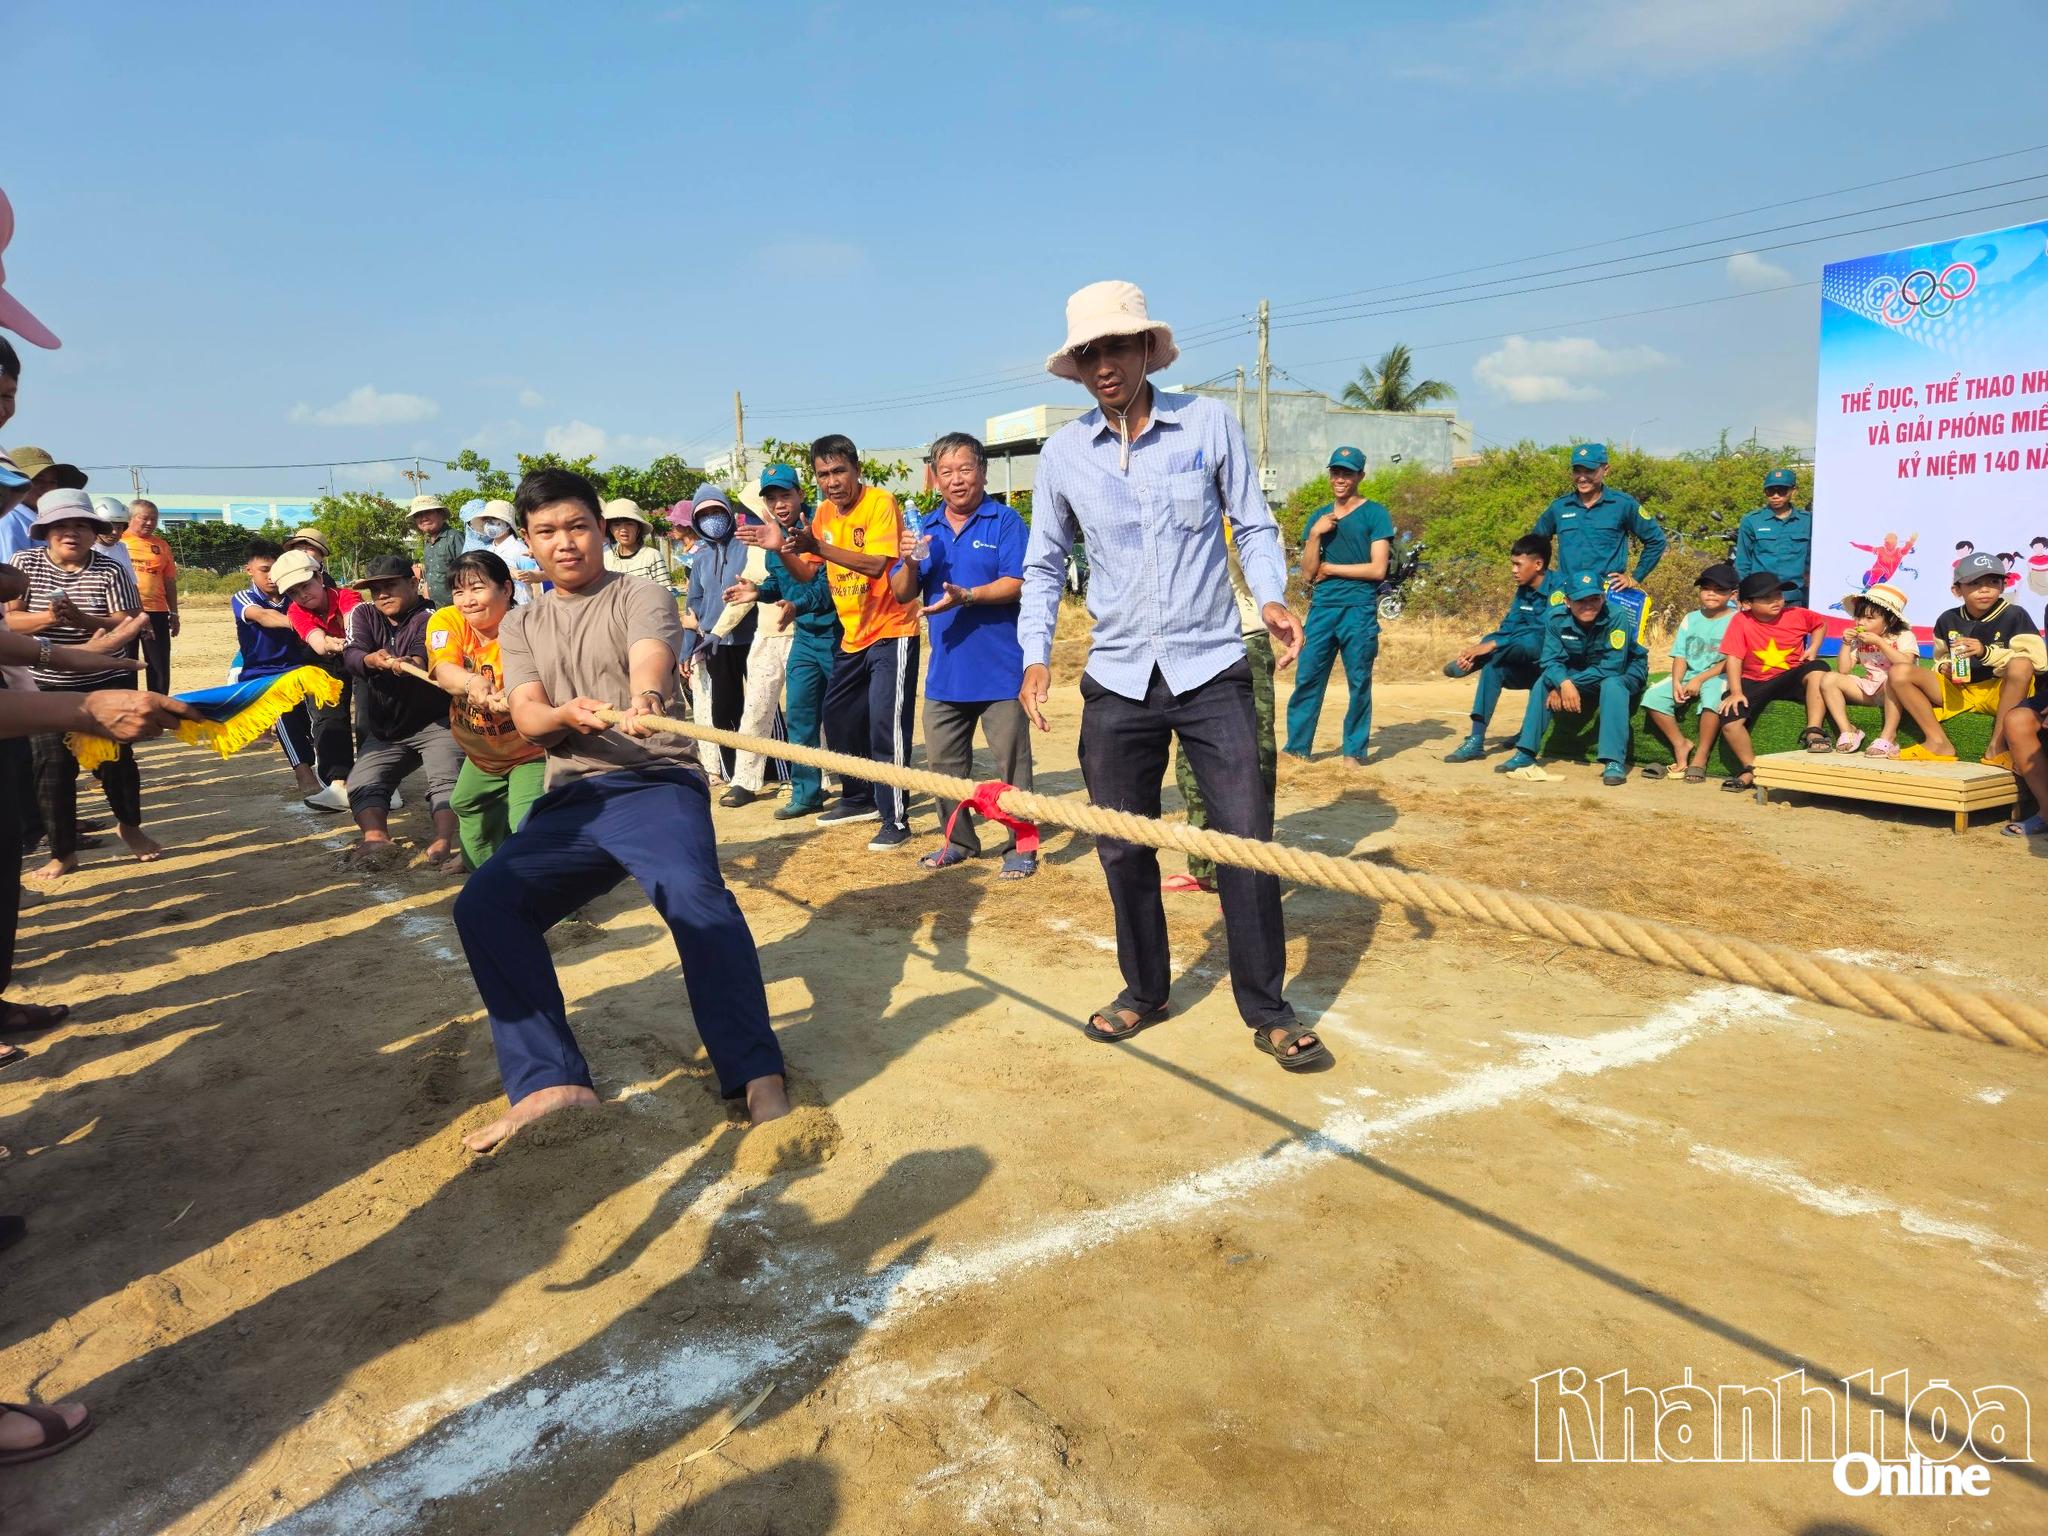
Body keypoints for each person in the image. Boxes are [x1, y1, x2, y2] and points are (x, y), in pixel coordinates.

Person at [1018, 280, 1322, 1070]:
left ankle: (1268, 1007)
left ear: (1147, 350)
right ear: (1077, 365)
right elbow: (1044, 564)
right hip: (1118, 678)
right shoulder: (1063, 454)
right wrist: (1035, 654)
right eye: (1089, 352)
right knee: (1123, 847)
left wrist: (1272, 595)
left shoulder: (1207, 424)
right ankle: (1145, 989)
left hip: (1212, 667)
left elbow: (1252, 522)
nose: (1104, 364)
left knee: (1245, 841)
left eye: (1117, 346)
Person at [450, 465, 789, 1152]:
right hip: (573, 798)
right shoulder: (521, 623)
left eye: (578, 526)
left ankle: (757, 1072)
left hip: (654, 782)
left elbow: (651, 656)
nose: (564, 542)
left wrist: (645, 699)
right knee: (485, 906)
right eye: (547, 531)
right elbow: (527, 713)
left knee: (695, 898)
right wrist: (560, 716)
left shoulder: (642, 592)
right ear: (527, 542)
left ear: (601, 530)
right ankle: (551, 1081)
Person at [741, 434, 919, 847]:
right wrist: (781, 549)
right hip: (852, 635)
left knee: (886, 725)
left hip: (892, 629)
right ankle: (858, 797)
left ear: (857, 469)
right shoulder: (822, 513)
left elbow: (876, 565)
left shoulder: (880, 503)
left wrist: (818, 545)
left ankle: (895, 818)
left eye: (839, 471)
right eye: (823, 474)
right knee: (837, 716)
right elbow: (807, 573)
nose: (832, 481)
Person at [885, 432, 1036, 876]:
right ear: (935, 478)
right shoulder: (924, 529)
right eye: (946, 471)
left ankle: (1021, 847)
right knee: (944, 768)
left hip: (1002, 671)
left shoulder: (1005, 521)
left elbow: (1018, 582)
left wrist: (968, 595)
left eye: (965, 469)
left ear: (982, 472)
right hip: (946, 675)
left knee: (1012, 768)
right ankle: (958, 842)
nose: (957, 480)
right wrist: (911, 560)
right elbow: (901, 593)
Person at [4, 489, 160, 876]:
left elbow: (126, 619)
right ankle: (63, 852)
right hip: (42, 685)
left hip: (102, 680)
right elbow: (11, 622)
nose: (71, 533)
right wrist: (49, 619)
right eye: (60, 525)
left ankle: (130, 827)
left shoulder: (110, 569)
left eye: (80, 525)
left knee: (116, 762)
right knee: (52, 768)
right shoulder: (24, 563)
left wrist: (82, 619)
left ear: (94, 532)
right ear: (45, 531)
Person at [1165, 524, 1274, 896]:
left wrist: (1228, 533)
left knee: (1251, 763)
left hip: (1244, 643)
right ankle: (1204, 869)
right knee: (1190, 765)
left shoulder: (1250, 518)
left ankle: (1251, 875)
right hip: (1191, 645)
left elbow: (1265, 580)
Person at [728, 464, 838, 819]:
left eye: (785, 495)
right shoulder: (771, 537)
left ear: (800, 494)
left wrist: (796, 606)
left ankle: (864, 791)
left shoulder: (819, 529)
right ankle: (807, 793)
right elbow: (782, 585)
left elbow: (824, 587)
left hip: (835, 635)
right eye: (772, 498)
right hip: (804, 636)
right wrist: (757, 592)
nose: (779, 503)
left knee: (845, 715)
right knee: (800, 715)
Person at [426, 550, 546, 868]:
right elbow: (444, 671)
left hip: (531, 749)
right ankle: (481, 865)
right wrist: (473, 683)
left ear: (506, 589)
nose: (467, 601)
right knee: (467, 803)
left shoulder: (530, 628)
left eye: (477, 588)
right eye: (458, 591)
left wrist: (518, 698)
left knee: (526, 819)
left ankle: (543, 893)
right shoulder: (446, 620)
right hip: (482, 752)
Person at [342, 554, 462, 869]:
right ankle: (376, 837)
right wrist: (370, 660)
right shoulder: (362, 613)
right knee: (362, 781)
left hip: (437, 722)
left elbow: (428, 653)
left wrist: (413, 663)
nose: (382, 595)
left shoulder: (435, 616)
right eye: (375, 589)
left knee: (446, 777)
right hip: (387, 728)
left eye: (390, 586)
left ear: (412, 583)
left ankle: (443, 839)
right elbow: (352, 654)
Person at [1282, 445, 1393, 765]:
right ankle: (1297, 748)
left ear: (1361, 476)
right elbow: (1307, 574)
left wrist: (1330, 568)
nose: (1340, 478)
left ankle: (1353, 752)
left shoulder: (1375, 514)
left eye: (1347, 473)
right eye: (1335, 472)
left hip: (1358, 609)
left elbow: (1377, 570)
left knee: (1359, 682)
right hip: (1322, 609)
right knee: (1307, 679)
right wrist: (1315, 535)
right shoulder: (1319, 517)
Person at [1494, 569, 1649, 786]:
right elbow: (1550, 660)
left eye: (1594, 599)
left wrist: (1568, 684)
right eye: (1580, 600)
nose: (1588, 605)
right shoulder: (1555, 618)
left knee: (1612, 685)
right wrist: (1562, 682)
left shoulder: (1616, 616)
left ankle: (1613, 761)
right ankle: (1525, 752)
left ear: (1603, 598)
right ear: (1567, 601)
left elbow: (1612, 666)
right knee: (1544, 682)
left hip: (1626, 668)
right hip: (1582, 667)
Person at [1891, 551, 2045, 765]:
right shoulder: (1948, 618)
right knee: (1899, 672)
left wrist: (1986, 652)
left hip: (2001, 692)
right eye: (1974, 583)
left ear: (2003, 586)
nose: (1984, 589)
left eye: (1993, 581)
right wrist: (1944, 667)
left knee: (2021, 664)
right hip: (1960, 690)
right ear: (1957, 590)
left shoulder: (2015, 614)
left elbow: (2039, 661)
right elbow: (1940, 657)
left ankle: (1997, 748)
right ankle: (1938, 743)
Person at [1442, 535, 1561, 763]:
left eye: (1518, 564)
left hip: (1550, 662)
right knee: (1493, 665)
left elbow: (1547, 633)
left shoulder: (1559, 588)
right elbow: (1508, 627)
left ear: (1538, 564)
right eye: (1512, 564)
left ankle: (1480, 660)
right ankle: (1476, 739)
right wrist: (1485, 644)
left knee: (1521, 642)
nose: (1513, 570)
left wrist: (1493, 645)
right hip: (1526, 662)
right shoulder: (1523, 590)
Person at [1710, 571, 1831, 793]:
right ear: (1747, 604)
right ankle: (1751, 769)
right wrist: (1736, 692)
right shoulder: (1740, 621)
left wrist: (1813, 648)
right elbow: (1734, 658)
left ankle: (1813, 731)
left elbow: (1820, 624)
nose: (1776, 601)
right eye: (1766, 598)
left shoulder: (1797, 614)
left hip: (1791, 676)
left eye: (1778, 595)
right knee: (1730, 720)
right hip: (1755, 680)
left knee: (1818, 669)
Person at [230, 538, 324, 799]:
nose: (271, 576)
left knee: (317, 718)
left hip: (301, 666)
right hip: (263, 673)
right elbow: (264, 616)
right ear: (249, 570)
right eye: (264, 570)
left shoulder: (293, 595)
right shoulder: (243, 597)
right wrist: (304, 625)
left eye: (275, 569)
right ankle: (302, 771)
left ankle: (328, 767)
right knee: (284, 712)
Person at [677, 485, 757, 788]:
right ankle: (734, 772)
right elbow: (693, 606)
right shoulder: (700, 559)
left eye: (717, 511)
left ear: (728, 512)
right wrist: (687, 648)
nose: (712, 519)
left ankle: (776, 769)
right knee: (724, 709)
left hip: (751, 636)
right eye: (704, 514)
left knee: (762, 707)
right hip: (715, 643)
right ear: (696, 522)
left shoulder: (746, 547)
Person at [273, 546, 360, 810]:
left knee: (370, 715)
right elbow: (318, 642)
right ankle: (339, 783)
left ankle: (378, 782)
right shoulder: (294, 611)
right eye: (293, 592)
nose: (302, 594)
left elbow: (356, 624)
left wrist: (349, 641)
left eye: (305, 585)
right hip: (323, 660)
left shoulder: (347, 596)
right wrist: (331, 643)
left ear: (320, 578)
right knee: (327, 717)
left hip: (360, 654)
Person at [1639, 563, 1738, 782]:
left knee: (1713, 700)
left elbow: (1732, 660)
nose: (1711, 594)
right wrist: (1677, 681)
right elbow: (1680, 655)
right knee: (1653, 697)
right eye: (1706, 588)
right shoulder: (1691, 618)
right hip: (1689, 673)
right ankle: (1680, 744)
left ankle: (1701, 755)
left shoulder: (1737, 620)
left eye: (1719, 590)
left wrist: (1700, 679)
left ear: (1733, 594)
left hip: (1719, 674)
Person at [1530, 443, 1667, 594]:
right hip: (1568, 594)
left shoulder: (1623, 504)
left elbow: (1656, 540)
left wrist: (1635, 577)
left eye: (1589, 471)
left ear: (1605, 470)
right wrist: (1545, 578)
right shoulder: (1560, 507)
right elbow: (1533, 545)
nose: (1582, 478)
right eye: (1577, 471)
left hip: (1607, 594)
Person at [1815, 583, 1915, 758]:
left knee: (1893, 677)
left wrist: (1880, 642)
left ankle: (1889, 736)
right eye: (1859, 616)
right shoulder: (1860, 639)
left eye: (1869, 618)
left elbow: (1906, 663)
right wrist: (1846, 643)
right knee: (1829, 678)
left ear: (1891, 620)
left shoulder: (1903, 636)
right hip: (1870, 690)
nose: (1861, 622)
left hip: (1897, 692)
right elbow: (1844, 669)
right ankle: (1848, 730)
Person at [1733, 468, 1814, 606]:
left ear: (1794, 491)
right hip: (1761, 596)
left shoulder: (1808, 521)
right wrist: (1744, 595)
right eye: (1770, 491)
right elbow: (1743, 562)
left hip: (1797, 596)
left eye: (1782, 491)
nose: (1775, 496)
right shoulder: (1751, 521)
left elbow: (1817, 557)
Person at [122, 497, 179, 693]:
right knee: (125, 663)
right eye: (144, 518)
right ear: (130, 518)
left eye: (154, 519)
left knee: (158, 664)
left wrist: (174, 613)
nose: (149, 523)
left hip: (156, 612)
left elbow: (169, 581)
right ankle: (127, 704)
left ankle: (159, 703)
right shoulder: (118, 542)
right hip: (125, 612)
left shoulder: (162, 546)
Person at [467, 499, 542, 603]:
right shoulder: (489, 550)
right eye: (487, 520)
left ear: (507, 524)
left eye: (494, 519)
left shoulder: (519, 550)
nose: (489, 524)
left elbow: (536, 582)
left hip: (521, 606)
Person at [409, 493, 459, 608]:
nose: (423, 518)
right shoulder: (428, 544)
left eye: (428, 512)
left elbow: (468, 572)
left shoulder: (454, 538)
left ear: (441, 514)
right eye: (418, 515)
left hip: (456, 608)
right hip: (436, 608)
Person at [601, 498, 667, 583]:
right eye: (617, 525)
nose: (623, 529)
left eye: (629, 524)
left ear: (638, 528)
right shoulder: (606, 558)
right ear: (610, 529)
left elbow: (665, 589)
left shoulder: (652, 556)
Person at [90, 496, 135, 582]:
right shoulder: (88, 549)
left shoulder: (121, 548)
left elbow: (131, 580)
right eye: (109, 527)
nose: (115, 532)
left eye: (119, 528)